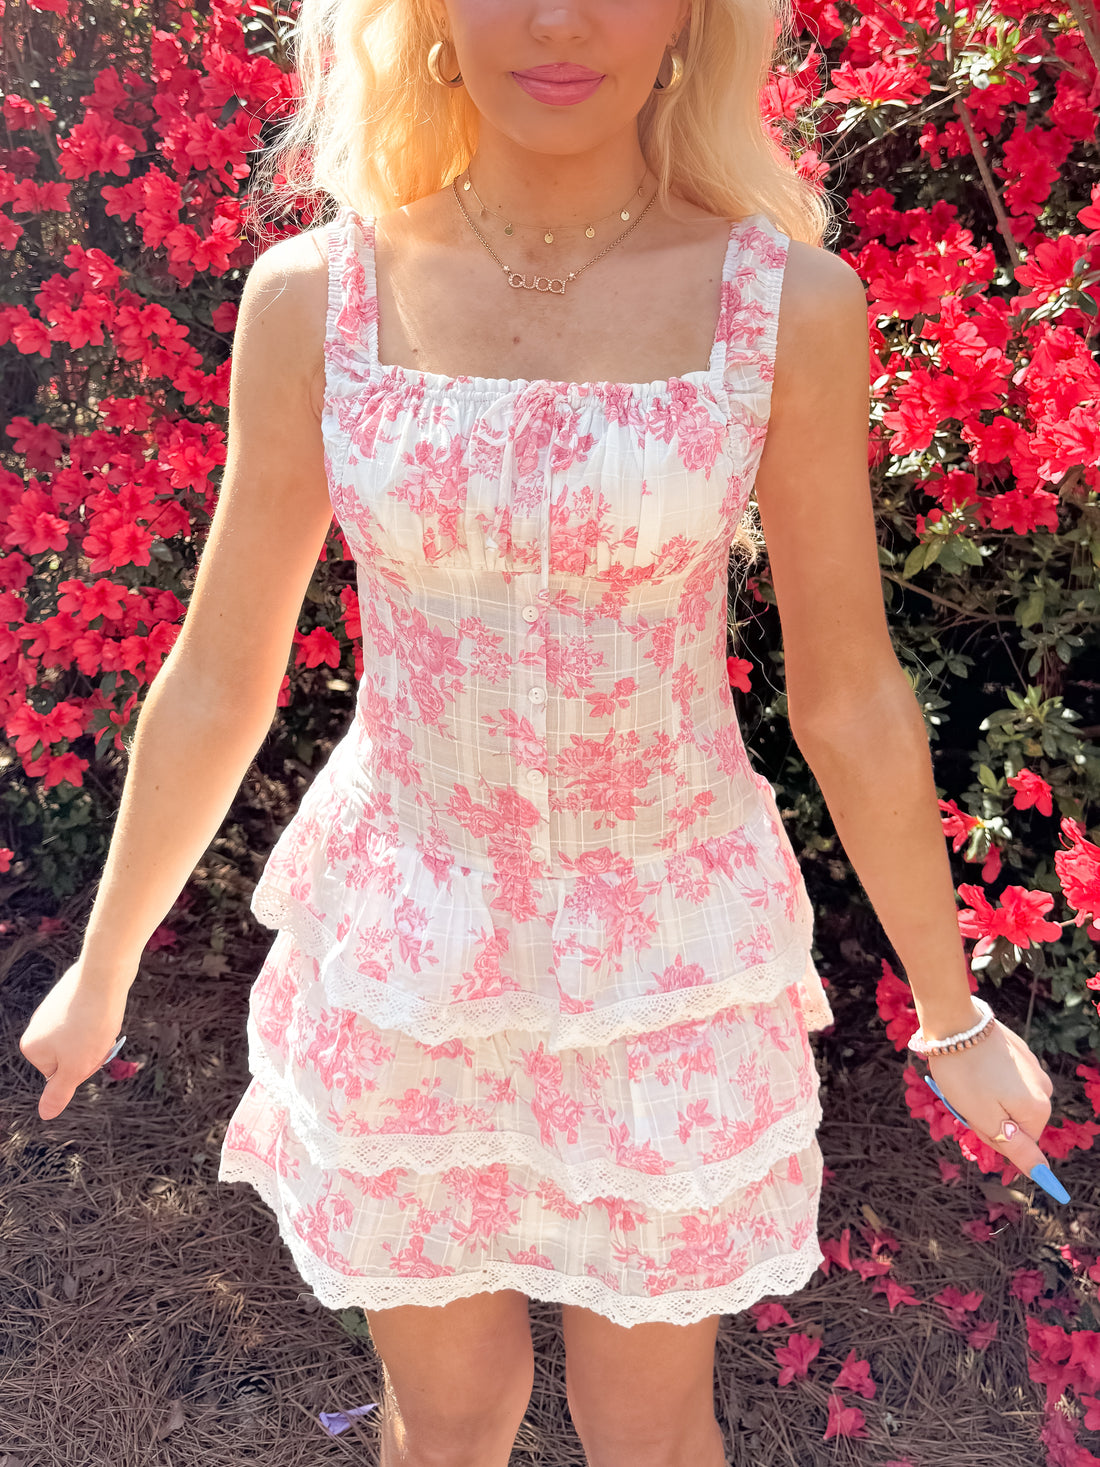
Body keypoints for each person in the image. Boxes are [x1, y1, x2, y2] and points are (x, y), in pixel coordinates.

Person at [20, 2, 1059, 1464]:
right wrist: (106, 960)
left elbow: (849, 692)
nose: (559, 21)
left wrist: (954, 1015)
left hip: (665, 960)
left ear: (695, 21)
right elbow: (220, 669)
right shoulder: (320, 296)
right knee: (445, 1419)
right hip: (407, 945)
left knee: (646, 1425)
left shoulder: (783, 308)